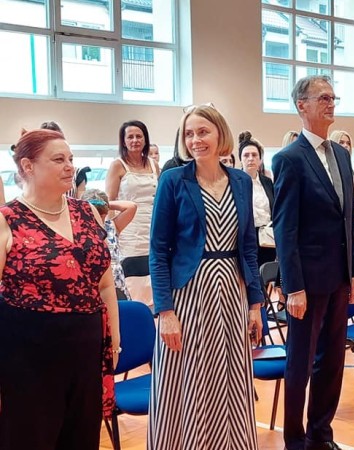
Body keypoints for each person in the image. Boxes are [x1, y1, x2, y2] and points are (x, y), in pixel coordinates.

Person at [148, 104, 263, 449]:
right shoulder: (173, 180)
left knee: (230, 378)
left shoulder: (241, 181)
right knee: (189, 378)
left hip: (232, 290)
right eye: (189, 134)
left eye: (202, 132)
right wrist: (165, 312)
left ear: (219, 134)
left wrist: (255, 304)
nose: (195, 140)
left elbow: (249, 247)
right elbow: (158, 250)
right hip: (190, 294)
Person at [0, 129, 120, 449]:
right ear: (28, 166)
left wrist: (114, 337)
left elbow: (105, 283)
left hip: (86, 344)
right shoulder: (8, 220)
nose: (69, 166)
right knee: (30, 436)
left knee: (81, 436)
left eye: (70, 158)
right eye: (58, 159)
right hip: (28, 351)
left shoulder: (87, 212)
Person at [272, 75, 354, 450]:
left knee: (332, 361)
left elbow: (348, 217)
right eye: (323, 97)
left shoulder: (341, 154)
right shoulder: (289, 159)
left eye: (332, 97)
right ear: (302, 105)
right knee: (300, 363)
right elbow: (285, 229)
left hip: (339, 277)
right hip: (306, 283)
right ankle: (295, 440)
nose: (330, 103)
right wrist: (293, 287)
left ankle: (320, 435)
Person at [105, 120, 160, 305]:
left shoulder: (154, 165)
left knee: (153, 275)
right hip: (129, 229)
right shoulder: (117, 165)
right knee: (133, 279)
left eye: (139, 136)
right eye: (130, 137)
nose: (135, 140)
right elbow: (109, 201)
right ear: (124, 141)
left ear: (145, 139)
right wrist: (111, 235)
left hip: (152, 226)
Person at [81, 189, 138, 300]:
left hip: (117, 287)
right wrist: (86, 205)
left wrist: (104, 203)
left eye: (102, 216)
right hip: (94, 289)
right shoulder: (79, 231)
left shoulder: (112, 227)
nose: (98, 219)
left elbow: (131, 206)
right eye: (93, 215)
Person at [239, 130, 276, 269]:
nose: (250, 158)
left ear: (260, 160)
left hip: (266, 237)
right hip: (245, 237)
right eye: (246, 155)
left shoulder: (267, 182)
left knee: (267, 272)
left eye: (254, 155)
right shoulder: (235, 182)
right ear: (241, 159)